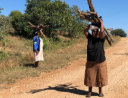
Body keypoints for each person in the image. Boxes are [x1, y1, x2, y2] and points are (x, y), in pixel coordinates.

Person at [84, 19, 108, 97]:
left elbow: (101, 32)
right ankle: (89, 92)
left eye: (95, 31)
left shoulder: (101, 39)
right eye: (93, 31)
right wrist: (90, 26)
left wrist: (101, 23)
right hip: (90, 62)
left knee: (100, 77)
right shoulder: (90, 38)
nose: (94, 32)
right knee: (90, 77)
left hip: (100, 61)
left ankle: (100, 92)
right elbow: (85, 31)